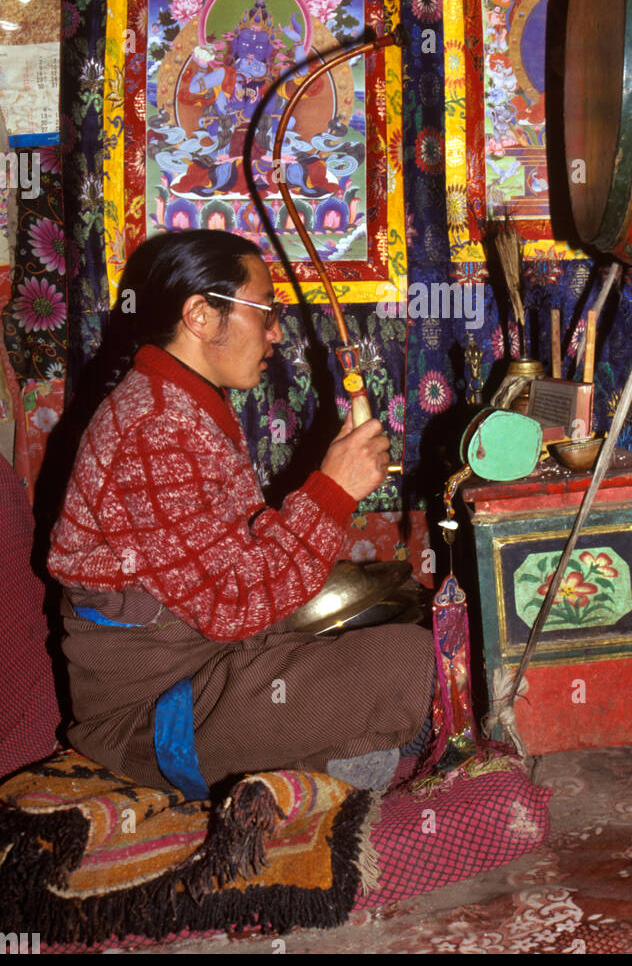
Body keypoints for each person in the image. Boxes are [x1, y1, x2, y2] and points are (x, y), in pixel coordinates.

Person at [47, 230, 436, 797]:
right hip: (158, 708)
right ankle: (321, 775)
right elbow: (232, 603)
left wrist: (331, 489)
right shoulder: (153, 431)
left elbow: (232, 568)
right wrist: (332, 491)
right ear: (201, 316)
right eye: (266, 311)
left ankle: (335, 762)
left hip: (216, 658)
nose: (276, 332)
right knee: (412, 663)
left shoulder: (180, 403)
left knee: (408, 624)